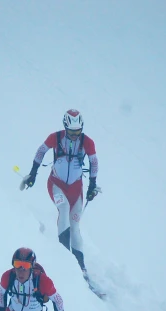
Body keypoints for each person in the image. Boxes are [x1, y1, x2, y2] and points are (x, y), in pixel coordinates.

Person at [21, 109, 100, 281]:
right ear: (65, 127)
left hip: (76, 189)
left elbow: (94, 162)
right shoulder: (55, 137)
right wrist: (33, 173)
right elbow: (41, 151)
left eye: (78, 132)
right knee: (63, 208)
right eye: (71, 132)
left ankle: (81, 267)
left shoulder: (87, 142)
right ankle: (64, 259)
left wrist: (92, 185)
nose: (74, 135)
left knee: (75, 225)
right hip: (56, 184)